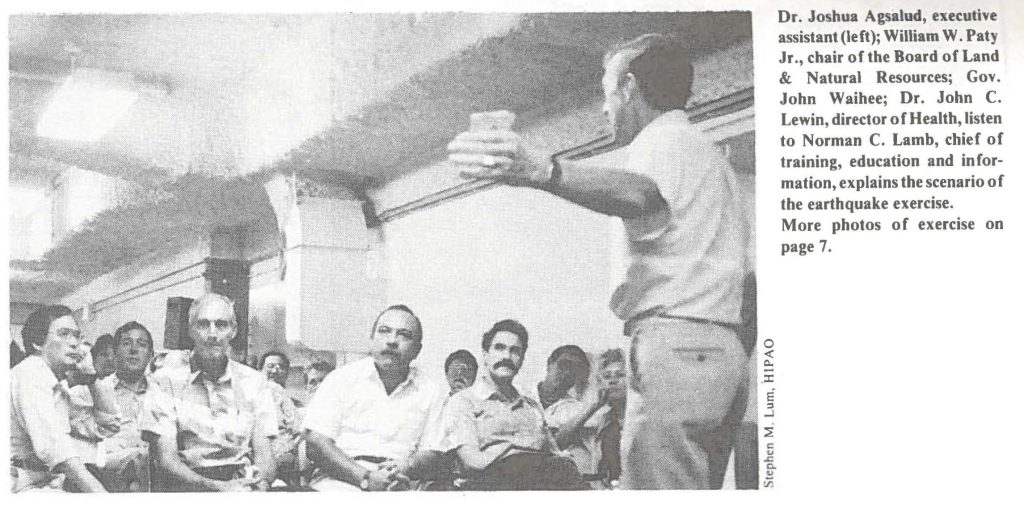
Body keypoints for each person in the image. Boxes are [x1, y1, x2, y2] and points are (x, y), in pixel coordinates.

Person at [446, 33, 749, 489]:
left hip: (676, 345)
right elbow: (752, 283)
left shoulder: (661, 139)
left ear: (628, 86)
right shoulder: (714, 161)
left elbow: (640, 193)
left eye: (606, 92)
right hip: (726, 353)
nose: (604, 109)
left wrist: (543, 171)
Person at [140, 293, 278, 492]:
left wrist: (261, 485)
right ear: (190, 331)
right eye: (203, 324)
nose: (213, 334)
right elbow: (166, 460)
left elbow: (265, 454)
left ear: (233, 331)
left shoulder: (254, 382)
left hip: (244, 487)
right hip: (190, 488)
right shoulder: (165, 381)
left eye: (221, 325)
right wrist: (218, 488)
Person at [303, 305, 445, 491]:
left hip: (401, 483)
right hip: (340, 482)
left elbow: (433, 452)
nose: (392, 341)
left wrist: (406, 467)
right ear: (371, 341)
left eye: (403, 335)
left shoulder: (430, 390)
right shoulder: (341, 379)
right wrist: (366, 478)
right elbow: (316, 444)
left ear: (417, 350)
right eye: (384, 331)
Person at [439, 319, 587, 490]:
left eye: (515, 351)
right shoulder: (464, 401)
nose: (506, 357)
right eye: (499, 348)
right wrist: (516, 444)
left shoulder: (531, 405)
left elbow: (556, 454)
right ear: (485, 355)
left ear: (522, 359)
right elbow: (473, 462)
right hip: (492, 487)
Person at [10, 305, 121, 493]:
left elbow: (107, 427)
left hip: (44, 482)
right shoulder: (30, 374)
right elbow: (54, 448)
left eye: (76, 335)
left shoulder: (57, 384)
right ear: (38, 343)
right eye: (64, 334)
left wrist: (93, 378)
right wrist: (100, 494)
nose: (74, 343)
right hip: (18, 485)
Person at [82, 321, 157, 492]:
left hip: (154, 477)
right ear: (115, 353)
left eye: (142, 344)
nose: (134, 350)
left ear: (151, 355)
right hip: (108, 479)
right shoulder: (96, 389)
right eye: (126, 343)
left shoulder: (163, 391)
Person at [546, 348, 627, 487]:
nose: (613, 380)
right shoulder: (600, 419)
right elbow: (557, 441)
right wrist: (594, 406)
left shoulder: (642, 416)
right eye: (607, 376)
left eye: (620, 375)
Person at [259, 351, 303, 488]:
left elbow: (296, 428)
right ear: (259, 370)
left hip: (284, 454)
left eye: (281, 367)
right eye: (270, 366)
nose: (276, 370)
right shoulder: (255, 392)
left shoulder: (288, 399)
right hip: (269, 452)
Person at [536, 345, 590, 409]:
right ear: (550, 363)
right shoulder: (524, 395)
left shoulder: (576, 410)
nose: (567, 372)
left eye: (574, 370)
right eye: (564, 364)